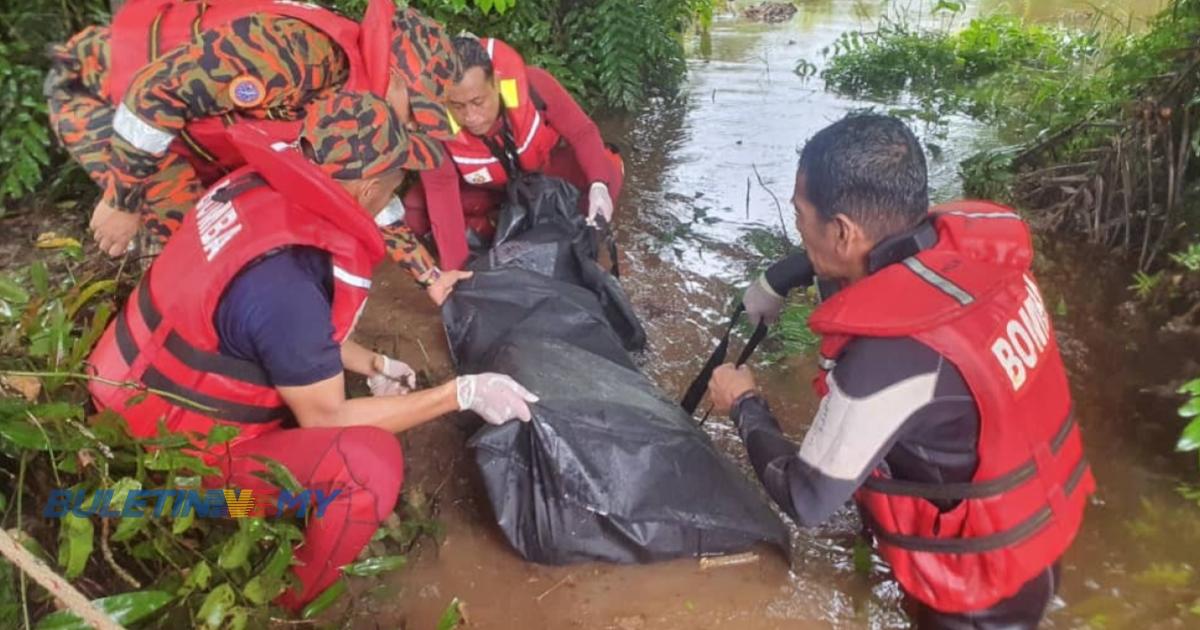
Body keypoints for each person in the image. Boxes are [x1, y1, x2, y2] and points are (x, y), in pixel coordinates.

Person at [86, 92, 538, 610]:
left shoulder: (251, 189)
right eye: (396, 185)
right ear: (369, 188)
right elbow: (326, 416)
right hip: (172, 477)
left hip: (118, 399)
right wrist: (459, 393)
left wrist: (370, 361)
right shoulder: (289, 282)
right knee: (367, 468)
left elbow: (263, 324)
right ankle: (287, 603)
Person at [708, 114, 1094, 629]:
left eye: (801, 216)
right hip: (1032, 532)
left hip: (980, 592)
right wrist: (782, 276)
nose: (798, 227)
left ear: (843, 230)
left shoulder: (890, 357)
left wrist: (744, 405)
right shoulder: (968, 252)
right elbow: (873, 256)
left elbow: (807, 498)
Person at [45, 0, 455, 292]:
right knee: (196, 239)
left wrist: (430, 277)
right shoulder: (298, 54)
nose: (413, 126)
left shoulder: (361, 98)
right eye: (416, 113)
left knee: (224, 234)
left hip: (181, 124)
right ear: (395, 77)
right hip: (103, 93)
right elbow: (153, 95)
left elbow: (370, 189)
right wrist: (122, 199)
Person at [401, 35, 625, 270]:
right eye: (457, 106)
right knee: (416, 209)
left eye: (478, 101)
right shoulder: (435, 125)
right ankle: (502, 239)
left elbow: (582, 132)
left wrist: (598, 185)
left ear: (496, 84)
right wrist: (456, 273)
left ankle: (571, 241)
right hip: (492, 192)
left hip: (543, 175)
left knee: (606, 168)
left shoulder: (534, 84)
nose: (470, 116)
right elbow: (440, 193)